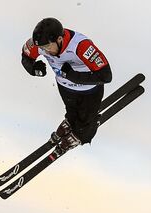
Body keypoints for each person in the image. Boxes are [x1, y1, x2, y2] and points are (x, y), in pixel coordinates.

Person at [21, 18, 112, 153]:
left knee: (86, 120)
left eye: (47, 47)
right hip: (65, 88)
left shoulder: (81, 46)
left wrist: (73, 76)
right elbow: (26, 57)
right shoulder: (37, 44)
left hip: (89, 91)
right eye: (42, 48)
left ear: (59, 39)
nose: (45, 51)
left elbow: (106, 76)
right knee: (72, 109)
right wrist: (33, 69)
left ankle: (81, 134)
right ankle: (71, 120)